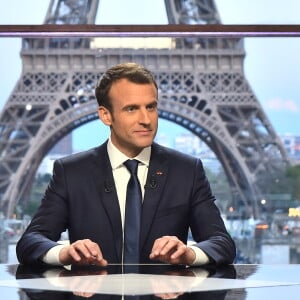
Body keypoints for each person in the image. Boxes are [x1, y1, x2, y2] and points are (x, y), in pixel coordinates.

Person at [16, 62, 236, 267]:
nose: (146, 119)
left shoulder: (186, 171)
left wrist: (190, 253)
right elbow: (31, 241)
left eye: (151, 107)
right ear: (105, 115)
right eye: (131, 109)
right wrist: (64, 253)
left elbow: (221, 242)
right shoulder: (71, 172)